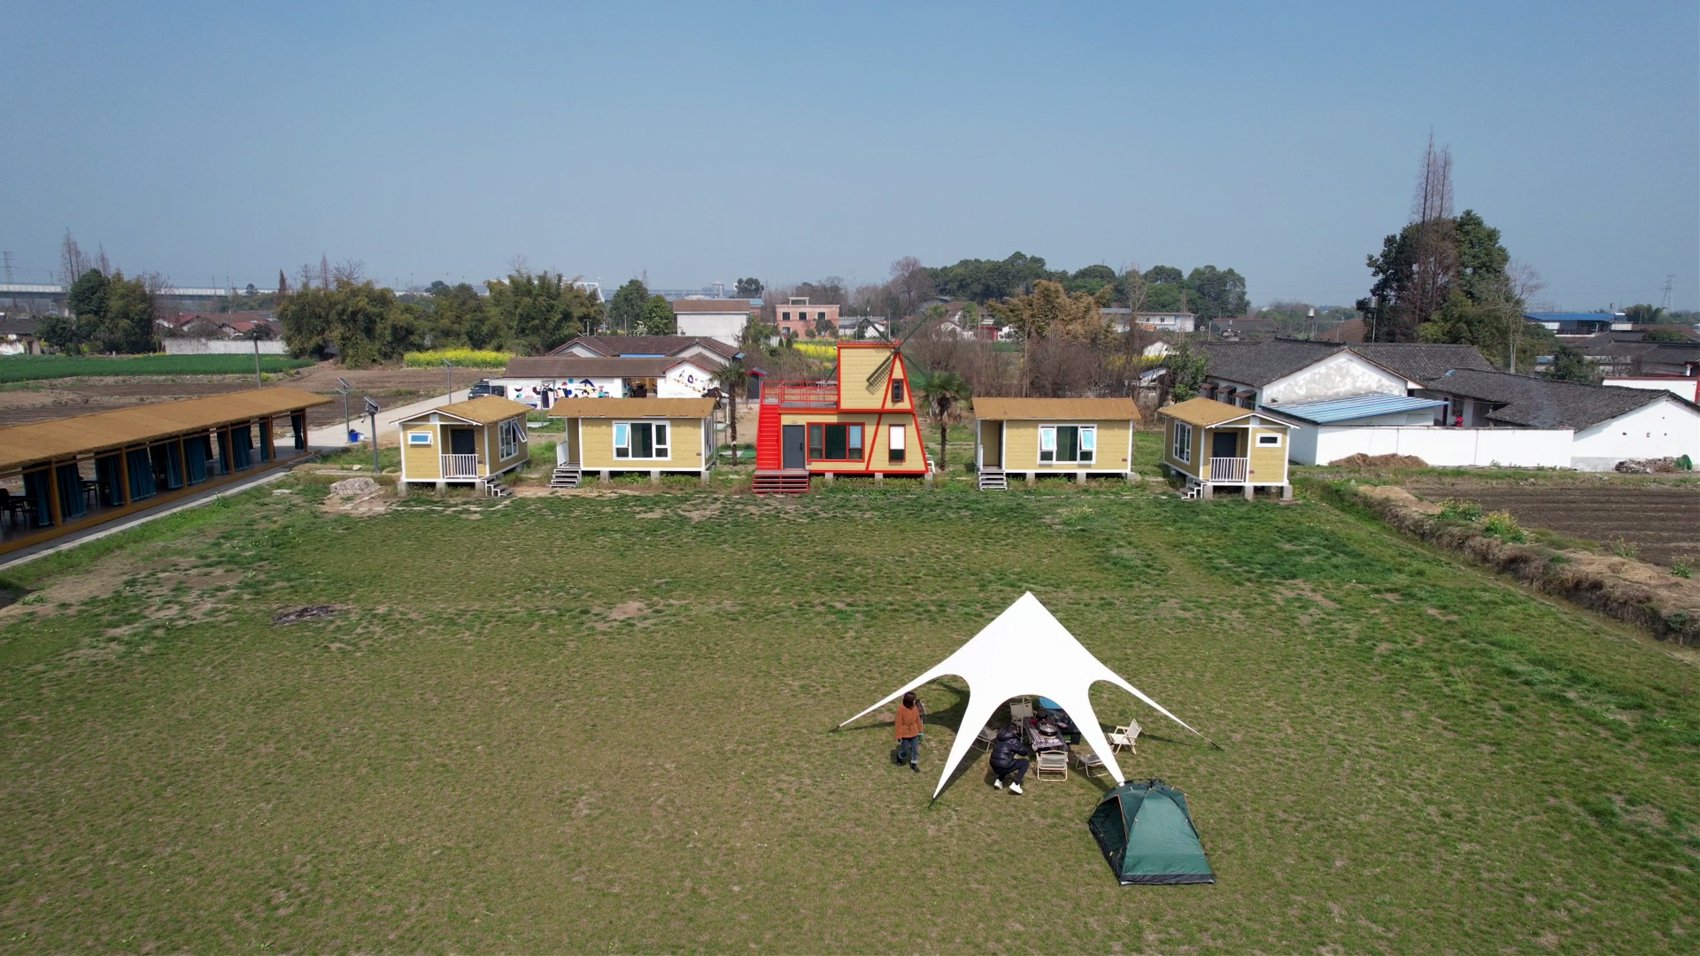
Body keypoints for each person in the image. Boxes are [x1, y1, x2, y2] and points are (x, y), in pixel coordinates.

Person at [989, 724, 1033, 794]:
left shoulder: (1000, 738)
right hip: (1002, 766)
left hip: (994, 765)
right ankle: (1016, 784)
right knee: (1025, 762)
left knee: (1006, 762)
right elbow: (1024, 752)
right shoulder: (1013, 741)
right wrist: (1025, 745)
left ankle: (998, 781)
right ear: (1013, 732)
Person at [891, 692, 924, 773]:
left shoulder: (915, 708)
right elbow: (898, 723)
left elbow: (918, 720)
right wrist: (899, 736)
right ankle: (899, 757)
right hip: (905, 734)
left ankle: (914, 764)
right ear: (909, 701)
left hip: (914, 733)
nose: (915, 701)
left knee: (915, 750)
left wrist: (920, 732)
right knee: (905, 751)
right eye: (913, 700)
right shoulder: (901, 709)